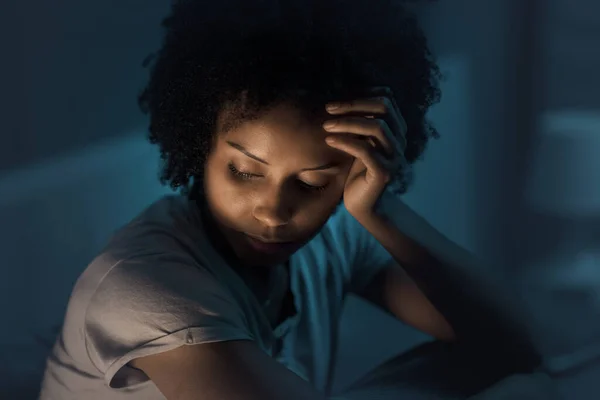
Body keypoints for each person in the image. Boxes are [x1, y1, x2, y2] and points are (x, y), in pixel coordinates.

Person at [39, 0, 539, 399]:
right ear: (198, 145)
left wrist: (384, 211)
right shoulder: (143, 288)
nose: (274, 212)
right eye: (244, 172)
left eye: (314, 183)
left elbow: (516, 344)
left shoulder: (338, 236)